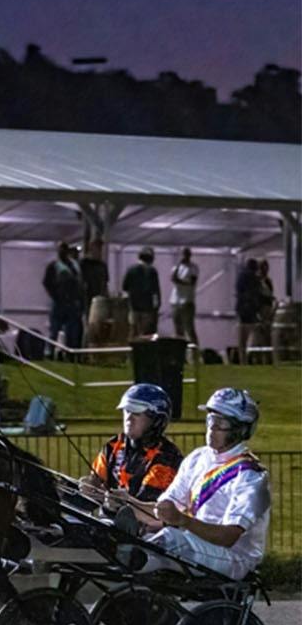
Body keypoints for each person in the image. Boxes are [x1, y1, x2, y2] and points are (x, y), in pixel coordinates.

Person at [127, 388, 268, 581]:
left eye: (220, 423)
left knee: (170, 540)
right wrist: (128, 503)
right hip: (195, 545)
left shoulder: (251, 476)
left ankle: (129, 561)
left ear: (240, 430)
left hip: (234, 558)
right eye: (210, 419)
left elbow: (228, 537)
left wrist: (183, 521)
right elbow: (166, 512)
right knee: (140, 535)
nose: (211, 427)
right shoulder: (198, 458)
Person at [80, 384, 183, 511]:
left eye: (137, 413)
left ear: (156, 420)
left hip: (146, 522)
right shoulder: (113, 446)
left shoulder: (167, 457)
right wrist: (85, 490)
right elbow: (93, 492)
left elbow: (147, 510)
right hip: (108, 519)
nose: (129, 418)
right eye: (126, 411)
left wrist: (112, 499)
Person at [42, 241, 84, 358]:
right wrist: (55, 296)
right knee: (54, 330)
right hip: (59, 302)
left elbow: (80, 284)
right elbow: (47, 283)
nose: (63, 252)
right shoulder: (54, 266)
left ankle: (70, 354)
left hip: (72, 302)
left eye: (64, 250)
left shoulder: (74, 265)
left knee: (72, 331)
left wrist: (79, 300)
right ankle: (50, 353)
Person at [122, 247, 161, 338]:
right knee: (146, 334)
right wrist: (156, 306)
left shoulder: (131, 270)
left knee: (133, 331)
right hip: (147, 308)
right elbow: (155, 291)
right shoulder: (152, 271)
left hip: (133, 306)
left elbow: (124, 287)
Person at [169, 247, 199, 344]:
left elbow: (192, 282)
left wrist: (180, 281)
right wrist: (178, 267)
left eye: (186, 254)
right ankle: (180, 349)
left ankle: (195, 349)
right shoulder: (176, 267)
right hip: (175, 301)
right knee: (178, 329)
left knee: (189, 328)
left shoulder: (193, 268)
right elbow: (173, 278)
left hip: (187, 301)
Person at [79, 238, 109, 316]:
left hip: (99, 300)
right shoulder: (83, 264)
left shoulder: (102, 265)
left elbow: (105, 283)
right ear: (91, 249)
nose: (100, 252)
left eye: (101, 249)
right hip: (86, 300)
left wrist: (106, 296)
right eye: (98, 249)